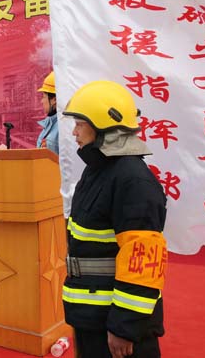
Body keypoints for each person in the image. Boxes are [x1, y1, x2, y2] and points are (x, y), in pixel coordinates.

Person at [60, 80, 167, 358]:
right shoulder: (99, 170)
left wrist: (124, 327)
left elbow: (143, 261)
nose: (74, 132)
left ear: (103, 125)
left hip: (116, 328)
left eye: (80, 124)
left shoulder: (132, 180)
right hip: (92, 317)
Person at [37, 71, 59, 154]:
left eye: (44, 97)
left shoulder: (61, 128)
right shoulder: (51, 123)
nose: (42, 101)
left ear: (54, 100)